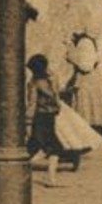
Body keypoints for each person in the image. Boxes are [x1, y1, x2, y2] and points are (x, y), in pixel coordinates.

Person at [65, 29, 102, 158]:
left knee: (83, 119)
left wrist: (71, 56)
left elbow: (86, 65)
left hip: (87, 84)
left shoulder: (85, 43)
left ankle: (79, 149)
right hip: (85, 83)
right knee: (86, 120)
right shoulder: (84, 42)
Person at [24, 54, 69, 187]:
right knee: (52, 148)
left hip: (43, 117)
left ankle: (49, 177)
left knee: (38, 147)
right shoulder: (44, 83)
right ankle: (49, 178)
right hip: (42, 118)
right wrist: (28, 122)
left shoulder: (35, 82)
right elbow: (33, 104)